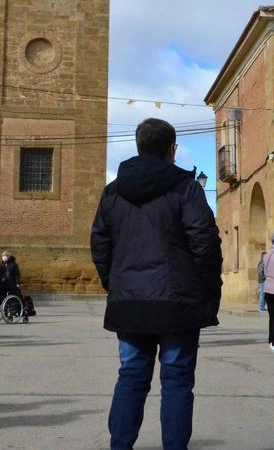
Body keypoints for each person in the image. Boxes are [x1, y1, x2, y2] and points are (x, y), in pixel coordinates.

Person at [91, 118, 222, 450]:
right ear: (171, 149)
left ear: (137, 147)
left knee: (131, 375)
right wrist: (207, 289)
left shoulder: (112, 192)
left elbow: (100, 243)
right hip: (178, 301)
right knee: (177, 380)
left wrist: (114, 284)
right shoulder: (186, 188)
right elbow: (204, 241)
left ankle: (120, 445)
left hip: (129, 300)